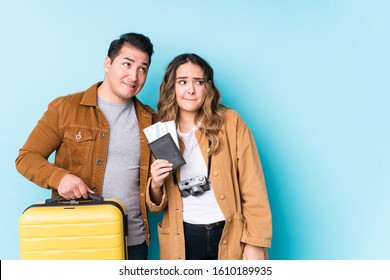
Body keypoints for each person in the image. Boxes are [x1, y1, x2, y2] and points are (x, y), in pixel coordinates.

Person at [16, 32, 155, 260]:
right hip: (80, 237)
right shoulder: (65, 108)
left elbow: (158, 184)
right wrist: (60, 178)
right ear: (108, 63)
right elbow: (26, 158)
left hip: (133, 243)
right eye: (127, 64)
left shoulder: (151, 120)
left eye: (143, 68)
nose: (134, 75)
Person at [146, 53, 272, 260]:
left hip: (228, 233)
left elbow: (253, 184)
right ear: (172, 87)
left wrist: (255, 241)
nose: (190, 90)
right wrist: (156, 184)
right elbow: (156, 204)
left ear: (208, 87)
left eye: (198, 82)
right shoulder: (159, 131)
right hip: (182, 236)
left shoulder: (231, 123)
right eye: (182, 82)